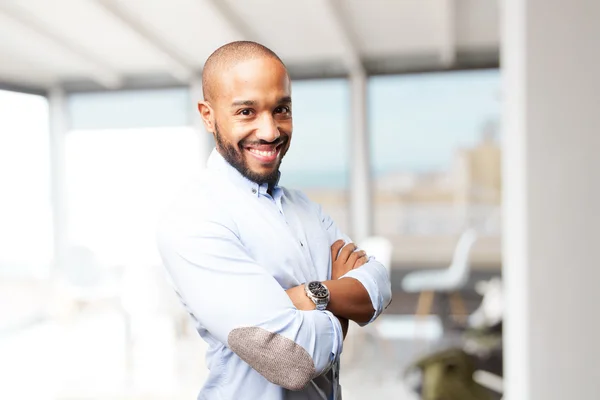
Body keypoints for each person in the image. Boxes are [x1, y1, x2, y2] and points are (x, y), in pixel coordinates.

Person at [157, 41, 392, 400]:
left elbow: (378, 285)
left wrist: (311, 296)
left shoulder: (305, 208)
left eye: (281, 109)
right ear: (208, 115)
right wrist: (342, 304)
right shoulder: (195, 219)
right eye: (247, 112)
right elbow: (291, 361)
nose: (270, 132)